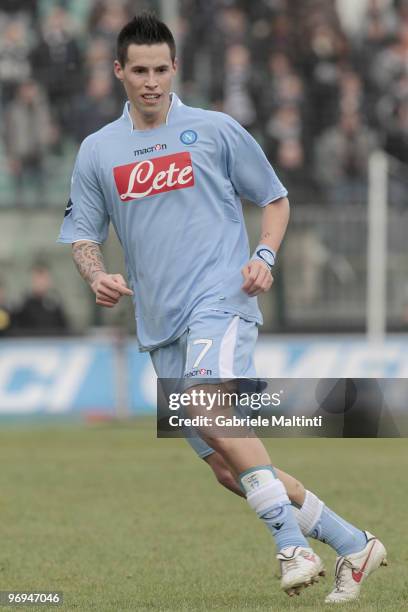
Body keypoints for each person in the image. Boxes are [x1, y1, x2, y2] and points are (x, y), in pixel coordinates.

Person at [58, 14, 387, 603]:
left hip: (221, 302)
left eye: (161, 69)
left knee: (211, 409)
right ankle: (354, 543)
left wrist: (264, 254)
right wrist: (96, 274)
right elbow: (83, 234)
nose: (151, 81)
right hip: (158, 326)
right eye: (140, 70)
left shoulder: (214, 129)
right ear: (119, 72)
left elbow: (276, 198)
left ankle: (293, 545)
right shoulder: (97, 150)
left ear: (175, 68)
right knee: (224, 467)